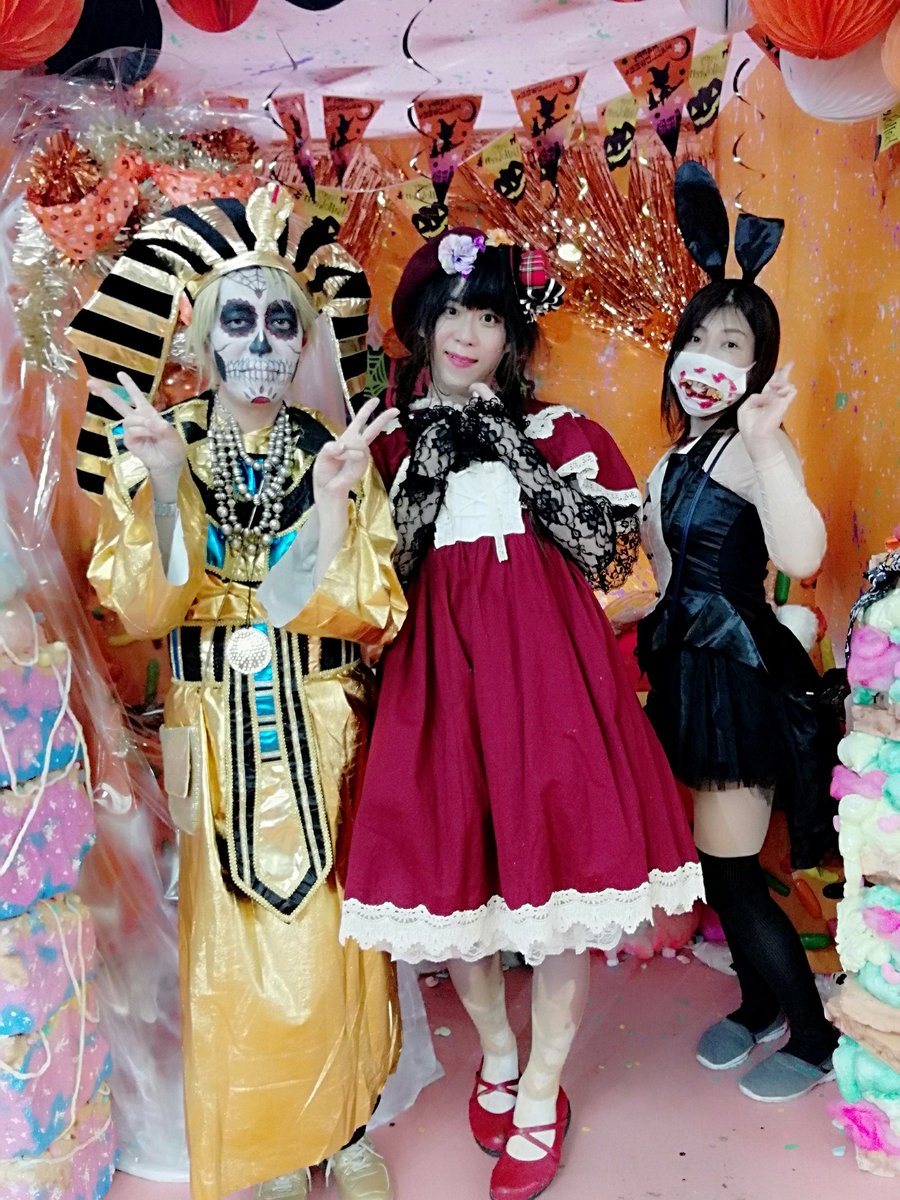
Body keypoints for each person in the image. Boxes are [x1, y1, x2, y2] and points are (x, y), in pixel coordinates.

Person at [338, 227, 704, 1200]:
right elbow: (373, 586)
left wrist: (515, 454)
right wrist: (420, 471)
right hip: (439, 690)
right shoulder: (385, 443)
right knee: (457, 898)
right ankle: (498, 1053)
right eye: (453, 312)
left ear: (514, 335)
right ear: (423, 323)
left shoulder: (564, 433)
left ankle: (541, 1091)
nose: (468, 334)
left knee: (563, 896)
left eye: (490, 318)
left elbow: (613, 558)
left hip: (549, 686)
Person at [67, 184, 405, 1200]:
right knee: (229, 942)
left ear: (302, 339)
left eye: (281, 321)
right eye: (240, 319)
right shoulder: (159, 440)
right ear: (206, 336)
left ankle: (344, 1129)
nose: (260, 341)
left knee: (337, 934)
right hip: (211, 727)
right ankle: (263, 1150)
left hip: (319, 721)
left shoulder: (330, 450)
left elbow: (369, 606)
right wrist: (168, 483)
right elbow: (141, 605)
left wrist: (336, 507)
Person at [637, 162, 839, 1103]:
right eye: (697, 337)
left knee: (731, 872)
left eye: (732, 342)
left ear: (755, 367)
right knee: (720, 871)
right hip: (685, 675)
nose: (707, 356)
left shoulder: (758, 445)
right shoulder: (671, 458)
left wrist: (766, 443)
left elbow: (805, 549)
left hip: (741, 682)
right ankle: (760, 1006)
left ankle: (814, 1036)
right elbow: (660, 579)